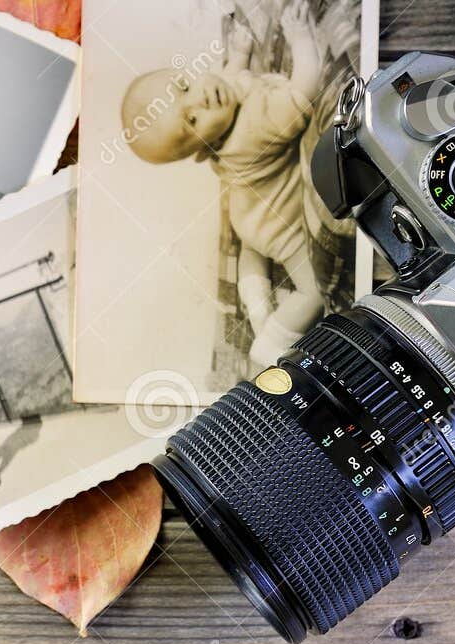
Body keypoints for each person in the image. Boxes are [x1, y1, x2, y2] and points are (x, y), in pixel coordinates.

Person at [121, 0, 331, 369]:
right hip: (275, 217)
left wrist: (239, 55)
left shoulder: (221, 98)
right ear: (204, 149)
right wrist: (299, 38)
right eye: (192, 120)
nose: (200, 98)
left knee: (252, 250)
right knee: (313, 291)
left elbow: (233, 78)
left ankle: (256, 301)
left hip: (248, 213)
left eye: (184, 86)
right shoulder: (256, 126)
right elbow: (305, 90)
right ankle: (269, 342)